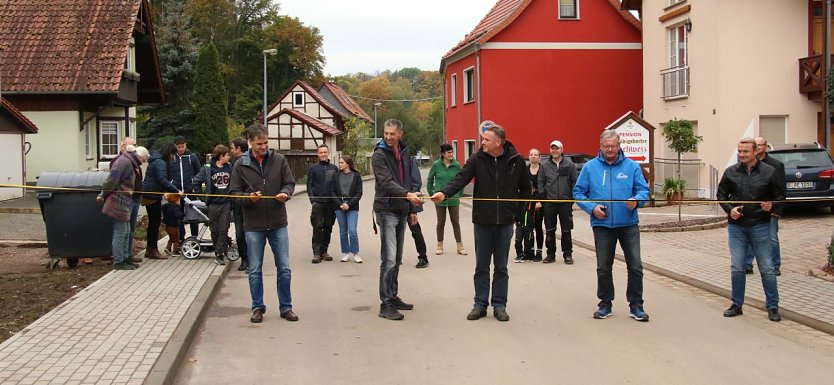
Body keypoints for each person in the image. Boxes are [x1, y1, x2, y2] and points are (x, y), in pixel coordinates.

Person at [431, 120, 531, 322]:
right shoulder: (477, 159)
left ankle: (500, 305)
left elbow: (526, 190)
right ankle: (480, 304)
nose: (482, 142)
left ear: (499, 142)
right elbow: (460, 178)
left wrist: (517, 215)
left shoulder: (516, 160)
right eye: (482, 139)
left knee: (501, 267)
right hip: (482, 222)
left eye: (486, 139)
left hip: (504, 222)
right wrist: (444, 192)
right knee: (481, 266)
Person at [573, 129, 651, 322]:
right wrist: (592, 208)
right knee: (603, 267)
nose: (610, 149)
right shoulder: (590, 167)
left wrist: (637, 200)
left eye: (613, 146)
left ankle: (636, 305)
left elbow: (644, 191)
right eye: (606, 146)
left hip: (628, 225)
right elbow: (578, 193)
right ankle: (605, 304)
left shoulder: (632, 166)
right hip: (602, 225)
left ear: (619, 146)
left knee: (635, 266)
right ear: (600, 146)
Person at [229, 124, 298, 324]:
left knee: (284, 268)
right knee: (255, 269)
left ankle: (286, 307)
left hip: (278, 222)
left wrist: (286, 193)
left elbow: (290, 183)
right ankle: (257, 307)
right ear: (250, 143)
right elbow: (233, 194)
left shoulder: (279, 160)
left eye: (266, 142)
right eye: (259, 143)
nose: (263, 146)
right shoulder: (240, 164)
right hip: (254, 225)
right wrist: (248, 198)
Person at [717, 137, 783, 322]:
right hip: (737, 227)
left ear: (755, 152)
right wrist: (730, 210)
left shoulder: (770, 172)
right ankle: (736, 304)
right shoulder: (731, 172)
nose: (742, 154)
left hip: (761, 225)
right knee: (737, 267)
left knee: (767, 268)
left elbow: (780, 196)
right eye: (739, 151)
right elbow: (721, 195)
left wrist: (772, 207)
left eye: (745, 151)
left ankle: (773, 307)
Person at [372, 118, 424, 320]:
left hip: (403, 209)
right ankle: (385, 304)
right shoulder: (379, 155)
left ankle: (393, 297)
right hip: (386, 210)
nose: (388, 137)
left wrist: (411, 208)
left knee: (398, 258)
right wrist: (407, 195)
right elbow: (386, 182)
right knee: (389, 258)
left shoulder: (404, 151)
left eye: (392, 133)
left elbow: (410, 179)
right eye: (386, 133)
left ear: (400, 134)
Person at [744, 136, 786, 276]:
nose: (758, 148)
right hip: (751, 209)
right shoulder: (746, 164)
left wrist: (777, 209)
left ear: (765, 147)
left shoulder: (776, 165)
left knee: (772, 238)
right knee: (749, 237)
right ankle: (747, 264)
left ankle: (775, 265)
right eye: (756, 145)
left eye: (760, 145)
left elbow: (781, 190)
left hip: (769, 209)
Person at [97, 143, 144, 270]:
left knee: (126, 231)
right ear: (139, 156)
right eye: (143, 160)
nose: (142, 163)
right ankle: (119, 261)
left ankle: (125, 258)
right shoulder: (124, 162)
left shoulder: (129, 162)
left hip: (124, 201)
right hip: (118, 201)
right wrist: (103, 194)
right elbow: (112, 180)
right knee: (121, 231)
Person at [193, 144, 233, 266]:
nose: (229, 157)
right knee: (214, 230)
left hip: (226, 204)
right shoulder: (207, 168)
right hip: (213, 205)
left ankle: (220, 253)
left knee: (224, 229)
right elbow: (196, 182)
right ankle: (217, 250)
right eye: (227, 155)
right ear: (221, 156)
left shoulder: (229, 167)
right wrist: (202, 197)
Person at [538, 140, 578, 264]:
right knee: (550, 230)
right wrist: (544, 198)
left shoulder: (569, 164)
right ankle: (550, 254)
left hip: (565, 202)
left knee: (566, 230)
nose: (554, 151)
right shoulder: (544, 165)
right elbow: (541, 182)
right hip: (550, 202)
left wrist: (571, 198)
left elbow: (574, 182)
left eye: (557, 148)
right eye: (552, 148)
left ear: (562, 150)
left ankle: (567, 254)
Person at [427, 143, 467, 257]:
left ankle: (460, 246)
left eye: (452, 152)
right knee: (441, 222)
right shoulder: (436, 165)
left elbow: (462, 180)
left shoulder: (457, 165)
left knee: (456, 222)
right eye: (448, 152)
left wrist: (459, 193)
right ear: (443, 154)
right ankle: (440, 246)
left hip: (454, 198)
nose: (451, 154)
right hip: (439, 198)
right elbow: (429, 180)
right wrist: (432, 194)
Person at [142, 143, 180, 260]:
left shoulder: (156, 160)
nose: (173, 157)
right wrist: (176, 190)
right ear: (169, 153)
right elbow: (162, 179)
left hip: (151, 193)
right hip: (152, 194)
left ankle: (150, 249)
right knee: (155, 222)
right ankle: (153, 250)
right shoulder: (161, 162)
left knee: (154, 222)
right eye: (173, 154)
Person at [307, 144, 338, 264]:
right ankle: (316, 252)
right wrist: (313, 201)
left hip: (331, 203)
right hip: (318, 203)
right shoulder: (313, 169)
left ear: (328, 153)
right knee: (317, 227)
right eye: (321, 152)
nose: (323, 154)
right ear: (317, 154)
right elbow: (309, 185)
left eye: (325, 152)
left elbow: (337, 185)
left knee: (328, 227)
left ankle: (324, 251)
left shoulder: (334, 168)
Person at [170, 135, 202, 243]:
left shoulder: (192, 157)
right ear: (175, 146)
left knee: (193, 214)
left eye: (182, 146)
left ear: (185, 145)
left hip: (190, 190)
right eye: (178, 147)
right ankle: (180, 238)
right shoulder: (172, 157)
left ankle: (195, 236)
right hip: (177, 191)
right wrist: (172, 184)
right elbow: (168, 173)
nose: (180, 149)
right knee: (178, 215)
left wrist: (195, 185)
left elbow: (199, 172)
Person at [514, 148, 543, 263]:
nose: (533, 156)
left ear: (539, 157)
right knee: (527, 228)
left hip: (539, 203)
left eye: (536, 155)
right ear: (529, 157)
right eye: (531, 154)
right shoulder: (524, 170)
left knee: (538, 228)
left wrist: (540, 201)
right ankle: (529, 251)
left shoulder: (543, 170)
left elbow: (545, 186)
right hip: (526, 203)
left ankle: (539, 252)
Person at [332, 155, 363, 263]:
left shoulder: (356, 175)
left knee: (352, 230)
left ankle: (355, 253)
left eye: (341, 163)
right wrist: (340, 204)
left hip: (352, 206)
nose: (339, 164)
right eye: (339, 162)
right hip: (339, 206)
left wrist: (349, 204)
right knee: (343, 231)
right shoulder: (336, 176)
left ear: (348, 164)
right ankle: (345, 253)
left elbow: (359, 192)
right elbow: (332, 192)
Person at [230, 137, 250, 272]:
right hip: (237, 203)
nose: (231, 151)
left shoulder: (246, 161)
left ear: (238, 149)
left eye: (232, 148)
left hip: (248, 202)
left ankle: (250, 260)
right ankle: (244, 259)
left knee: (248, 234)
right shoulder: (234, 162)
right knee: (239, 234)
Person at [408, 158, 430, 269]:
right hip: (392, 203)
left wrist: (413, 204)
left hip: (409, 201)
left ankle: (423, 257)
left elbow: (416, 182)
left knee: (415, 229)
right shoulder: (385, 158)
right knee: (393, 231)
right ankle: (394, 256)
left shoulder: (408, 159)